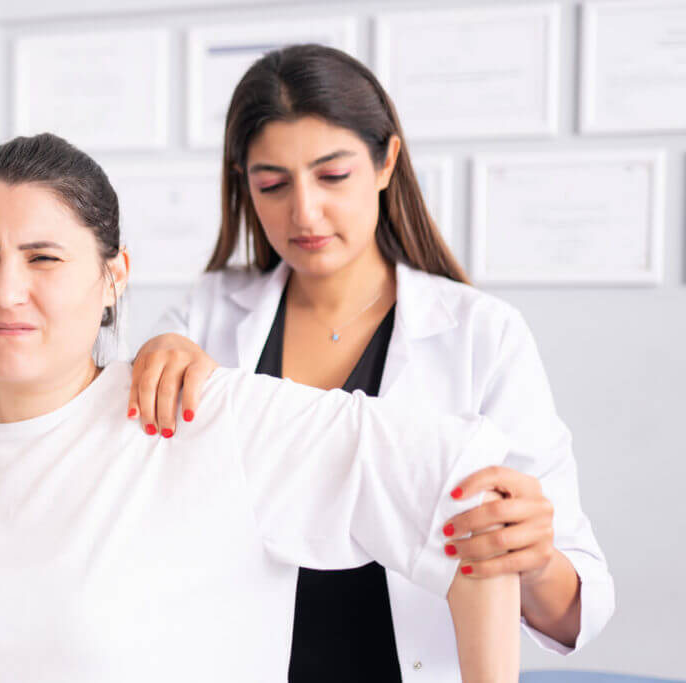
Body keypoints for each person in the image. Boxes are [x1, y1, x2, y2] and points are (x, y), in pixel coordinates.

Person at [0, 133, 520, 683]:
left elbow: (464, 490)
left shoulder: (201, 420)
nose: (7, 290)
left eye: (43, 257)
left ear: (114, 275)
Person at [127, 44, 614, 681]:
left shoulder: (481, 335)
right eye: (272, 184)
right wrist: (150, 362)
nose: (304, 212)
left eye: (332, 176)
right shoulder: (207, 316)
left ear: (386, 161)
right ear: (243, 184)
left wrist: (535, 556)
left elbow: (574, 613)